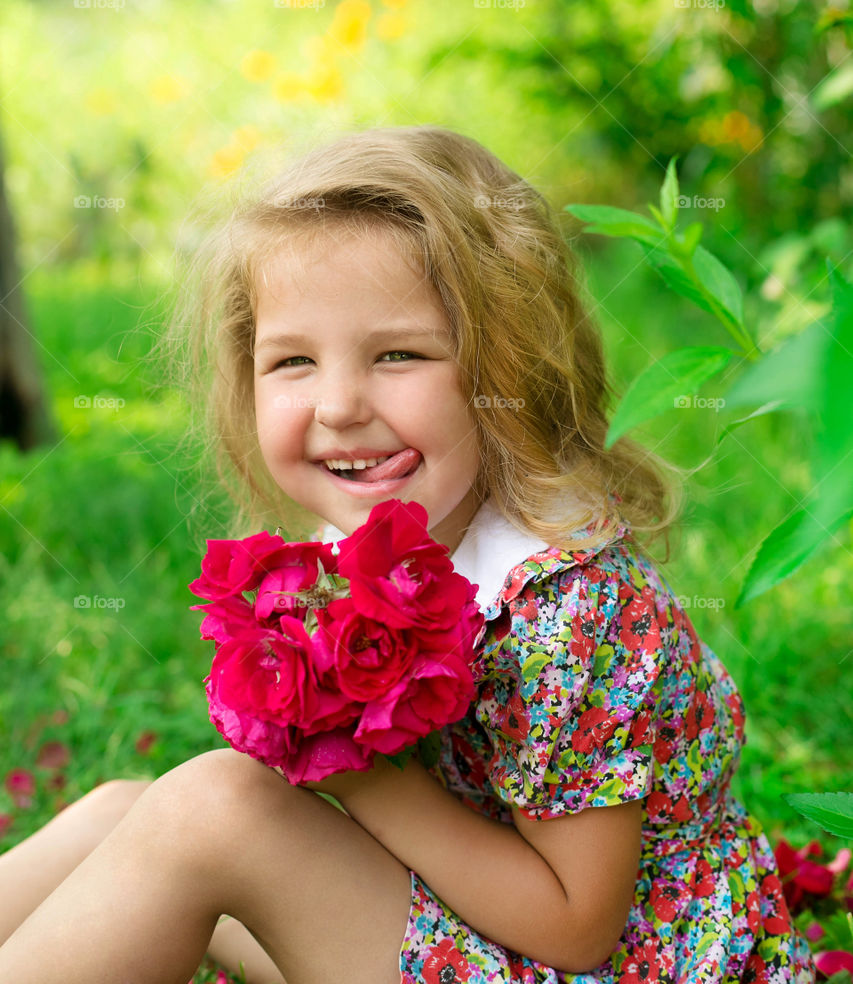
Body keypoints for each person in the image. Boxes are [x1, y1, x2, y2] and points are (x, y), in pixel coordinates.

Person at [0, 125, 815, 984]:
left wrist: (362, 777)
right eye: (292, 361)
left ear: (506, 366)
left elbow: (579, 930)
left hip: (605, 966)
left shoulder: (570, 608)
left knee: (215, 809)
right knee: (128, 815)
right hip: (478, 936)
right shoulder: (364, 553)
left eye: (398, 354)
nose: (339, 403)